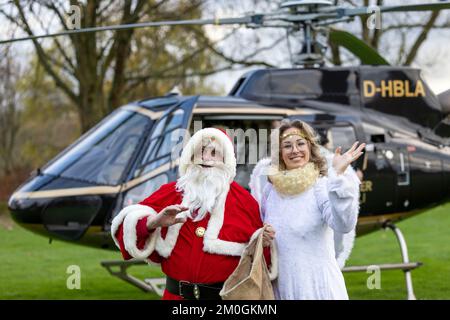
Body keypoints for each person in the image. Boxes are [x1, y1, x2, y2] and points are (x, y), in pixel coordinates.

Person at [111, 127, 274, 300]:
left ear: (226, 160)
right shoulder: (171, 193)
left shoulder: (244, 202)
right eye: (200, 152)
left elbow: (262, 261)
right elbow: (124, 228)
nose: (205, 158)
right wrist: (153, 222)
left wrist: (263, 241)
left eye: (214, 153)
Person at [250, 119, 365, 300]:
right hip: (281, 287)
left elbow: (343, 224)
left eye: (300, 143)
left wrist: (340, 177)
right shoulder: (270, 190)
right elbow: (260, 228)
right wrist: (262, 236)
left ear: (310, 148)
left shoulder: (320, 186)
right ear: (279, 153)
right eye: (287, 145)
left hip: (317, 288)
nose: (295, 150)